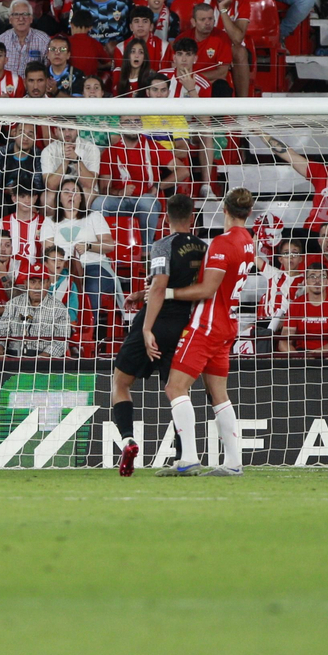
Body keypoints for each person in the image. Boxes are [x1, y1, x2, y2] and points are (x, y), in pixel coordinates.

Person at [160, 188, 257, 477]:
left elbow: (206, 289)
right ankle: (233, 462)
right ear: (248, 212)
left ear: (224, 210)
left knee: (175, 387)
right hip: (228, 324)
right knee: (218, 394)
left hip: (207, 325)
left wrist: (163, 293)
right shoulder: (248, 242)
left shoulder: (221, 243)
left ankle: (188, 457)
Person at [111, 193, 204, 475]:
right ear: (192, 217)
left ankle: (127, 438)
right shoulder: (204, 248)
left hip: (154, 320)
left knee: (120, 383)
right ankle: (182, 455)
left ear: (165, 217)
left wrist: (147, 327)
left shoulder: (162, 245)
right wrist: (143, 293)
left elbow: (161, 287)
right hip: (183, 325)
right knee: (178, 392)